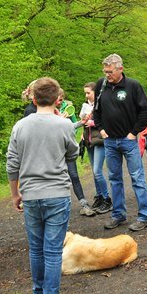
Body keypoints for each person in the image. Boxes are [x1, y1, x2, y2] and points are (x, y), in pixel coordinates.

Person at [7, 77, 78, 294]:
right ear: (58, 100)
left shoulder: (20, 125)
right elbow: (73, 154)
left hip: (30, 194)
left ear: (34, 98)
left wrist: (15, 194)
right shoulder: (65, 125)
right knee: (53, 252)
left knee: (36, 249)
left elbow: (12, 163)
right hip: (57, 193)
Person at [93, 54, 147, 232]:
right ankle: (118, 214)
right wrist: (101, 129)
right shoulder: (101, 85)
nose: (107, 75)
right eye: (105, 71)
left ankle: (144, 216)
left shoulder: (132, 86)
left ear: (120, 69)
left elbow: (145, 111)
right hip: (110, 141)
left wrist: (134, 133)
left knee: (137, 178)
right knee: (115, 179)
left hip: (129, 141)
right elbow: (96, 110)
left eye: (110, 71)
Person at [58, 89, 95, 217]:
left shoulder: (66, 109)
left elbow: (71, 126)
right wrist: (59, 120)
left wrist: (82, 122)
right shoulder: (45, 112)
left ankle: (84, 204)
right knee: (59, 179)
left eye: (61, 97)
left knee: (74, 175)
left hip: (68, 149)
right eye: (58, 97)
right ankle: (59, 208)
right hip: (55, 152)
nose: (60, 100)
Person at [80, 82, 112, 214]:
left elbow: (107, 120)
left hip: (99, 139)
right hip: (89, 140)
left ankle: (107, 199)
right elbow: (82, 120)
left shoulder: (102, 104)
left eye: (88, 93)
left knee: (97, 171)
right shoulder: (86, 105)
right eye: (85, 93)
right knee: (94, 172)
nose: (86, 95)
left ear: (95, 92)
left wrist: (92, 122)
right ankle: (99, 196)